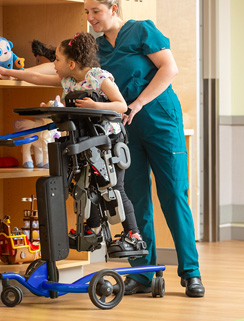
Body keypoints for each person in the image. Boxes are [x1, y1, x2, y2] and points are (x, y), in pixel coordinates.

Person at [0, 32, 148, 257]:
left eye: (57, 60)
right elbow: (37, 78)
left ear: (71, 63)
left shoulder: (99, 77)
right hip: (84, 142)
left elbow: (121, 106)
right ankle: (93, 229)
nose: (54, 65)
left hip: (109, 142)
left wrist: (94, 106)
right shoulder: (68, 80)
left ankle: (134, 235)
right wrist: (7, 71)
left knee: (114, 189)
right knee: (86, 187)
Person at [82, 0, 205, 298]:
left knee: (174, 194)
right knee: (135, 198)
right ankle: (143, 273)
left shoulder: (140, 30)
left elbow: (169, 68)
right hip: (126, 129)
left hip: (161, 120)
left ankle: (191, 273)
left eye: (95, 11)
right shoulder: (97, 49)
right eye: (86, 13)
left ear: (113, 8)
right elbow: (63, 65)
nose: (91, 18)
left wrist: (138, 103)